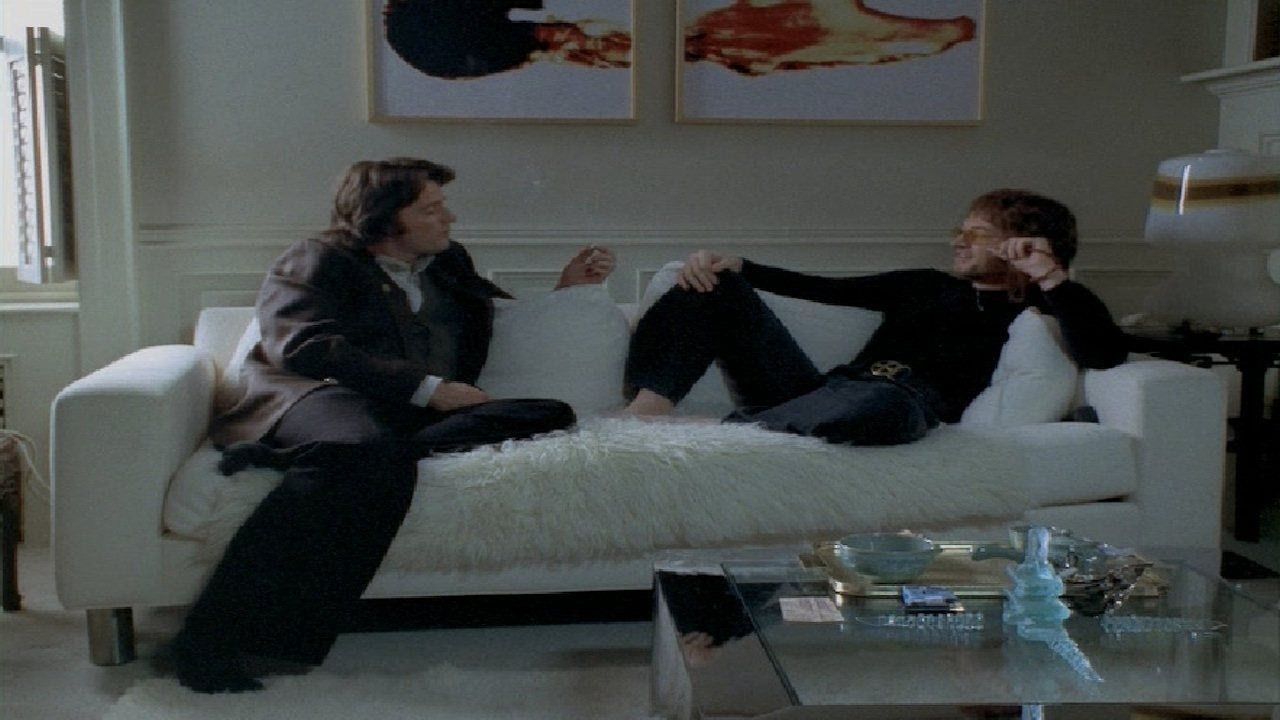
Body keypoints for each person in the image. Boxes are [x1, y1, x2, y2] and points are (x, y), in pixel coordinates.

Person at [166, 157, 615, 692]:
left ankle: (361, 448)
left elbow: (492, 313)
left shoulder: (448, 261)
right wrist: (426, 388)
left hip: (401, 413)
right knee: (364, 451)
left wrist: (565, 291)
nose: (449, 218)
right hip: (318, 395)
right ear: (384, 217)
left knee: (550, 411)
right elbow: (304, 345)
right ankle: (209, 641)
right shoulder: (316, 258)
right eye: (431, 209)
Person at [624, 189, 1127, 445]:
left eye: (974, 234)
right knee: (713, 283)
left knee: (885, 403)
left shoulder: (1039, 306)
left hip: (901, 405)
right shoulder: (925, 284)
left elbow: (1104, 352)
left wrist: (1049, 275)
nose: (958, 241)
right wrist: (739, 267)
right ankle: (647, 414)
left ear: (1020, 244)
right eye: (960, 230)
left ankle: (724, 429)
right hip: (821, 393)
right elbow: (826, 288)